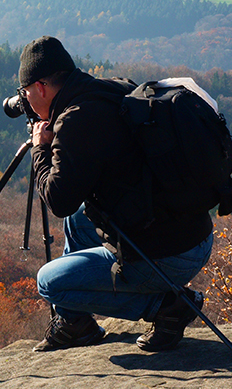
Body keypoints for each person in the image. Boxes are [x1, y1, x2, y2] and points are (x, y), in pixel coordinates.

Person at [20, 36, 213, 353]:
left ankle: (166, 307)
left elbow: (57, 199)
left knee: (49, 283)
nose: (25, 101)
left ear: (40, 87)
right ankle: (75, 324)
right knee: (78, 220)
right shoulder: (111, 89)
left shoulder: (77, 120)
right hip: (194, 235)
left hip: (168, 256)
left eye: (26, 94)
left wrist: (40, 149)